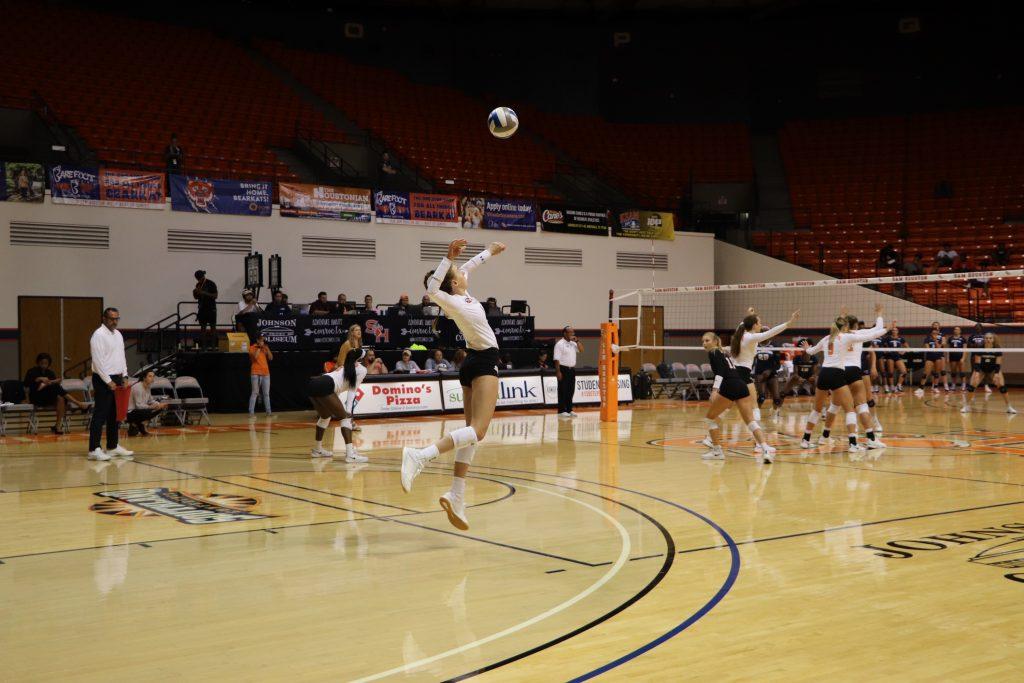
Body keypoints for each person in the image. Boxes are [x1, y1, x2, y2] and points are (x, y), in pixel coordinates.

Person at [401, 239, 507, 530]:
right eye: (458, 269)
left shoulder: (464, 291)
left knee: (472, 435)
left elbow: (471, 265)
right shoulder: (453, 300)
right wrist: (447, 257)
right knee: (479, 430)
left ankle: (457, 494)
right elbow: (432, 289)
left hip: (473, 361)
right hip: (483, 361)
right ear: (454, 280)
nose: (463, 269)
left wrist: (490, 252)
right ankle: (420, 455)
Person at [799, 303, 887, 452]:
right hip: (846, 372)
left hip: (826, 373)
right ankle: (863, 440)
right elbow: (875, 333)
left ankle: (816, 437)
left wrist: (806, 348)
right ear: (852, 326)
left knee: (826, 407)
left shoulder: (827, 338)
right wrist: (881, 318)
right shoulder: (852, 336)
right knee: (856, 407)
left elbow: (812, 352)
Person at [699, 332, 776, 463]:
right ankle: (766, 449)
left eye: (707, 340)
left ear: (715, 342)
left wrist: (715, 389)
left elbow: (721, 372)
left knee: (710, 419)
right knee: (750, 422)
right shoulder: (723, 352)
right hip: (741, 384)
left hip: (729, 385)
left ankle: (717, 451)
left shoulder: (713, 352)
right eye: (703, 341)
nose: (704, 343)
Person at [730, 308, 800, 447]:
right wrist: (789, 322)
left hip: (733, 373)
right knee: (754, 406)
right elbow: (771, 332)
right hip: (743, 374)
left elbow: (743, 323)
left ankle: (710, 436)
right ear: (754, 325)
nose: (761, 324)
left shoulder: (741, 332)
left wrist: (750, 315)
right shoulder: (751, 337)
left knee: (725, 407)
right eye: (759, 322)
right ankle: (758, 442)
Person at [305, 348, 370, 462]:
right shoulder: (362, 370)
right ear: (360, 359)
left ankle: (317, 449)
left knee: (325, 416)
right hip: (326, 385)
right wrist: (349, 411)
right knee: (345, 418)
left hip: (314, 383)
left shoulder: (345, 366)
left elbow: (337, 386)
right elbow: (352, 390)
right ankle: (350, 455)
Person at [87, 308, 134, 461]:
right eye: (111, 318)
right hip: (103, 379)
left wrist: (125, 375)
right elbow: (98, 362)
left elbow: (121, 357)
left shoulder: (118, 334)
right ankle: (94, 449)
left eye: (116, 318)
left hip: (118, 377)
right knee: (100, 414)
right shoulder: (98, 335)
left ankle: (113, 446)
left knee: (115, 415)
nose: (114, 321)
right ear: (104, 318)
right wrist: (108, 381)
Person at [23, 352, 86, 434]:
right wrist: (38, 379)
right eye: (42, 363)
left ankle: (57, 426)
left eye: (46, 363)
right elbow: (26, 385)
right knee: (57, 389)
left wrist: (53, 382)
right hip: (36, 397)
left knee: (60, 397)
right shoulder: (31, 371)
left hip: (48, 396)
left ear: (49, 364)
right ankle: (78, 403)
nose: (44, 365)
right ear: (38, 362)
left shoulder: (50, 372)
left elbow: (53, 385)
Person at [961, 333, 1015, 414]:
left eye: (990, 338)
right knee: (972, 385)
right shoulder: (980, 348)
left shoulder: (997, 349)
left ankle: (1009, 407)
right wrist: (976, 373)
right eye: (986, 338)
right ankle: (966, 406)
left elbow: (998, 364)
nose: (988, 340)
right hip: (981, 369)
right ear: (984, 339)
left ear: (993, 340)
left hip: (993, 369)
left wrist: (996, 374)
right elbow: (977, 364)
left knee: (1002, 386)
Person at [126, 370, 169, 436]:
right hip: (130, 413)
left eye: (153, 376)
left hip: (139, 411)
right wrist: (151, 407)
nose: (152, 378)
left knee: (160, 408)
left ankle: (135, 424)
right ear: (144, 378)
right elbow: (139, 406)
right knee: (148, 412)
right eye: (150, 376)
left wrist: (159, 404)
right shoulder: (137, 387)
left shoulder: (148, 387)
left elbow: (150, 401)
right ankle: (138, 424)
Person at [554, 326, 583, 418]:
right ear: (565, 333)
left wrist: (577, 341)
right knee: (563, 390)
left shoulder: (573, 343)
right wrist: (558, 372)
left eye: (573, 332)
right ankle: (561, 410)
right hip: (563, 369)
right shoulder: (559, 344)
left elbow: (582, 350)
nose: (572, 334)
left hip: (572, 370)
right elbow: (556, 359)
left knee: (571, 390)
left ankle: (569, 409)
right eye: (570, 332)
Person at [752, 341, 782, 420]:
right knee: (761, 397)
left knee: (777, 398)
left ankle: (775, 413)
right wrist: (753, 374)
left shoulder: (774, 346)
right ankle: (756, 413)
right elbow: (751, 361)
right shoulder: (755, 345)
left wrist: (770, 370)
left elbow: (778, 365)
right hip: (759, 374)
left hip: (772, 373)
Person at [248, 333, 273, 416]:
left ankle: (269, 412)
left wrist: (267, 349)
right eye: (261, 339)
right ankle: (251, 413)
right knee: (255, 393)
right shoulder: (252, 347)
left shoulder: (265, 347)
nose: (263, 341)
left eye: (263, 340)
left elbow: (270, 358)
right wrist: (259, 347)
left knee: (266, 394)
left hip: (266, 373)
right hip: (255, 373)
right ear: (257, 340)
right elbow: (255, 357)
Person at [193, 269, 218, 350]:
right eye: (198, 279)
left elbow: (215, 296)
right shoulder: (198, 285)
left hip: (211, 309)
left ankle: (213, 347)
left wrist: (203, 293)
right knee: (203, 329)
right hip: (202, 309)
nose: (200, 280)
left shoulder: (211, 283)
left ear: (203, 276)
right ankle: (204, 347)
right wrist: (195, 293)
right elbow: (196, 297)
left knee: (213, 328)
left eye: (200, 278)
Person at [947, 326, 967, 391]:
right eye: (955, 329)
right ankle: (953, 385)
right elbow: (948, 349)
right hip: (952, 357)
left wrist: (963, 358)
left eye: (958, 329)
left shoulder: (963, 338)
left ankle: (963, 385)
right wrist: (948, 357)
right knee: (953, 372)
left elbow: (965, 349)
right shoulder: (950, 338)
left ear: (960, 331)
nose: (956, 330)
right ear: (953, 331)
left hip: (960, 356)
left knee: (962, 372)